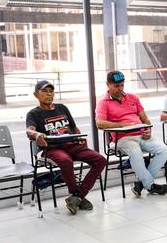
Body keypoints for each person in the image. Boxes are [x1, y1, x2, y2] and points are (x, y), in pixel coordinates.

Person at [26, 80, 107, 215]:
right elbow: (29, 131)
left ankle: (77, 196)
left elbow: (74, 128)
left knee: (100, 160)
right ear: (36, 95)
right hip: (53, 149)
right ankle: (78, 196)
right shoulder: (34, 113)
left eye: (51, 91)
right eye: (44, 91)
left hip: (72, 145)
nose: (49, 94)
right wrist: (37, 134)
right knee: (65, 161)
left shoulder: (62, 108)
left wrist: (79, 137)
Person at [95, 70, 167, 197]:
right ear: (108, 84)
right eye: (117, 86)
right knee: (136, 153)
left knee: (165, 150)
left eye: (122, 85)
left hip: (141, 135)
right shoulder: (103, 103)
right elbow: (99, 124)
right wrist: (122, 125)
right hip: (123, 139)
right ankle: (151, 186)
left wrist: (148, 129)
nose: (120, 89)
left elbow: (145, 119)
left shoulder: (133, 98)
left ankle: (140, 184)